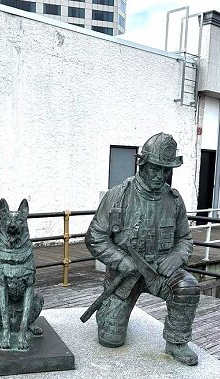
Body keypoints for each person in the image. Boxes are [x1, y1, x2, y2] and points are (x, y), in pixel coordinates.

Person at [85, 132, 199, 366]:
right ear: (143, 165)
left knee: (187, 287)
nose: (160, 175)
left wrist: (176, 257)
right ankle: (108, 313)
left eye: (165, 170)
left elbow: (185, 239)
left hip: (159, 273)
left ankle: (177, 342)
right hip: (125, 276)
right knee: (110, 339)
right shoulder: (118, 196)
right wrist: (121, 261)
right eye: (155, 168)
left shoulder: (174, 200)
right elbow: (95, 237)